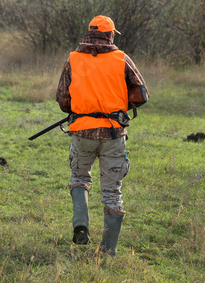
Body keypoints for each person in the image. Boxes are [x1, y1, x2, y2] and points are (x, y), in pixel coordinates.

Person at [56, 15, 149, 256]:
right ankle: (108, 251)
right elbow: (142, 94)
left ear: (89, 33)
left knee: (79, 176)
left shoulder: (72, 59)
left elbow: (63, 99)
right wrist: (119, 107)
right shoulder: (121, 58)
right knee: (112, 191)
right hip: (113, 133)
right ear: (110, 35)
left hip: (81, 131)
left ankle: (81, 225)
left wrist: (80, 110)